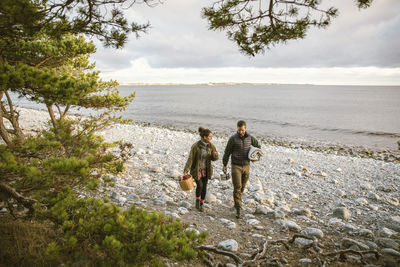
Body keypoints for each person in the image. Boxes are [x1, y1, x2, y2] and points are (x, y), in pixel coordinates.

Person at [222, 120, 261, 219]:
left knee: (243, 187)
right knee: (237, 187)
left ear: (245, 128)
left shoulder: (250, 138)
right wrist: (224, 164)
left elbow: (258, 147)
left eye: (242, 130)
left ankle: (236, 203)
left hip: (247, 165)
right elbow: (227, 152)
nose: (241, 132)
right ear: (237, 128)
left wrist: (254, 158)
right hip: (236, 165)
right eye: (239, 130)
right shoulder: (233, 139)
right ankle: (238, 209)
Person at [184, 127, 219, 212]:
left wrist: (215, 155)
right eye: (210, 137)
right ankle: (197, 200)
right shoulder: (196, 146)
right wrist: (186, 170)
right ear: (205, 137)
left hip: (206, 170)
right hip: (197, 170)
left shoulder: (211, 146)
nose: (211, 138)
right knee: (200, 185)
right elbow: (190, 158)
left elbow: (213, 159)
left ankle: (202, 204)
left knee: (204, 187)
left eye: (211, 136)